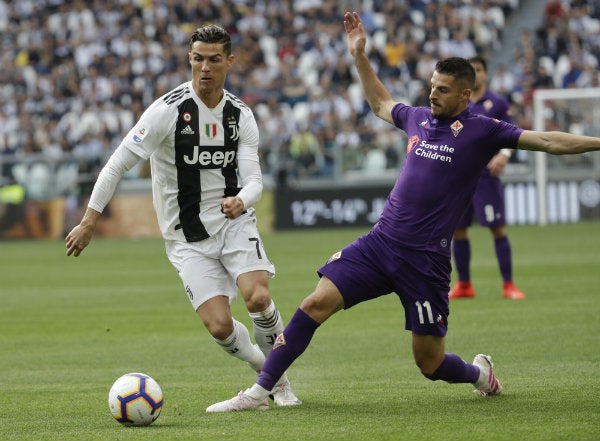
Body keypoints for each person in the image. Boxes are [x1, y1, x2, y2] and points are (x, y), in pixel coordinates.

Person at [206, 11, 600, 412]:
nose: (432, 95)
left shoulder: (484, 130)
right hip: (380, 245)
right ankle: (260, 392)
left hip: (425, 262)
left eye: (443, 90)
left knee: (429, 364)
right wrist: (359, 55)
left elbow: (549, 140)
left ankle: (480, 374)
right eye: (432, 86)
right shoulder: (418, 117)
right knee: (313, 304)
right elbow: (380, 102)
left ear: (465, 95)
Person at [65, 24, 301, 407]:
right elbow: (115, 165)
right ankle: (265, 376)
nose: (204, 68)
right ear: (189, 59)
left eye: (213, 60)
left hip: (232, 221)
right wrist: (90, 219)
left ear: (229, 61)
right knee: (220, 327)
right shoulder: (166, 111)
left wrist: (241, 199)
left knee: (257, 297)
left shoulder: (240, 115)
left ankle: (281, 382)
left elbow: (255, 179)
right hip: (185, 237)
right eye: (197, 59)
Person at [448, 55, 526, 301]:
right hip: (459, 178)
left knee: (497, 229)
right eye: (473, 70)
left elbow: (513, 135)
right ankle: (464, 285)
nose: (477, 73)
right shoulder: (459, 102)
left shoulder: (498, 102)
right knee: (458, 231)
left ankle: (508, 285)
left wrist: (504, 154)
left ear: (485, 74)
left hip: (486, 176)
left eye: (480, 69)